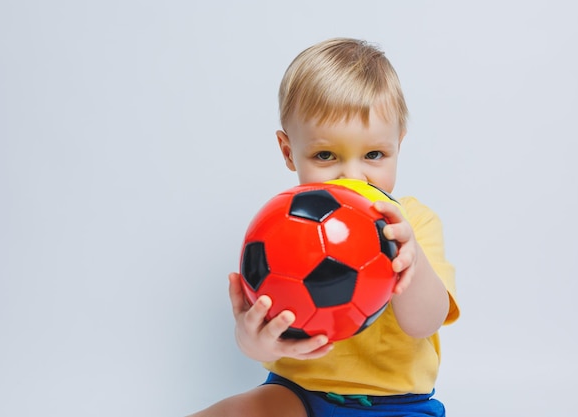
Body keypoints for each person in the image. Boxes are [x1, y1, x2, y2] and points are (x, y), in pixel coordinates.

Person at [188, 37, 460, 417]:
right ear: (288, 151)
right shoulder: (283, 229)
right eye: (326, 155)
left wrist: (409, 260)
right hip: (296, 395)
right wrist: (253, 341)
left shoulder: (412, 222)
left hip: (398, 405)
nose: (353, 176)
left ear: (398, 144)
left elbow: (424, 323)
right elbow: (263, 341)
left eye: (374, 155)